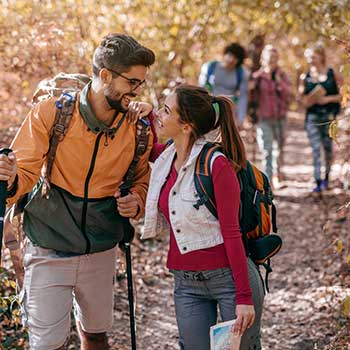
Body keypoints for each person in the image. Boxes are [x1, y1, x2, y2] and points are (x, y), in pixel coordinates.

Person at [0, 33, 155, 350]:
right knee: (48, 345)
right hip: (48, 243)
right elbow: (25, 171)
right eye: (132, 82)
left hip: (101, 247)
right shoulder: (52, 113)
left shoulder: (138, 128)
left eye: (141, 84)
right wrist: (12, 177)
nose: (137, 92)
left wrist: (136, 201)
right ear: (105, 75)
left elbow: (142, 178)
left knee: (96, 336)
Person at [141, 85, 265, 350]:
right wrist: (146, 114)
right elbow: (150, 148)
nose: (159, 115)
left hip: (229, 281)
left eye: (165, 110)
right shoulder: (166, 157)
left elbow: (231, 233)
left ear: (185, 126)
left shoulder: (216, 165)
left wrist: (244, 297)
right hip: (186, 283)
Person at [300, 43, 343, 193]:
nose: (311, 60)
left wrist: (327, 99)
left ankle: (326, 178)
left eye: (313, 57)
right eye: (308, 57)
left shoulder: (332, 74)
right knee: (315, 149)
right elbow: (301, 100)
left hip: (330, 117)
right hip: (312, 117)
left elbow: (342, 96)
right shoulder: (305, 77)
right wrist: (308, 100)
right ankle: (318, 181)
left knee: (328, 149)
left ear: (321, 56)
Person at [251, 45, 292, 185]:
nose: (272, 60)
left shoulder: (282, 75)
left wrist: (279, 82)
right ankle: (268, 182)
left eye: (275, 58)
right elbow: (251, 97)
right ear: (263, 59)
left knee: (279, 149)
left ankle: (277, 174)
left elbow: (288, 94)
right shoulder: (257, 77)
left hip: (280, 117)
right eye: (270, 58)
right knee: (267, 150)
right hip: (264, 118)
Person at [198, 43, 249, 127]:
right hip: (210, 108)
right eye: (230, 55)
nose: (231, 59)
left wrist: (241, 118)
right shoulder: (210, 67)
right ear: (225, 54)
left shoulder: (241, 73)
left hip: (229, 111)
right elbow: (201, 89)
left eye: (235, 58)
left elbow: (243, 96)